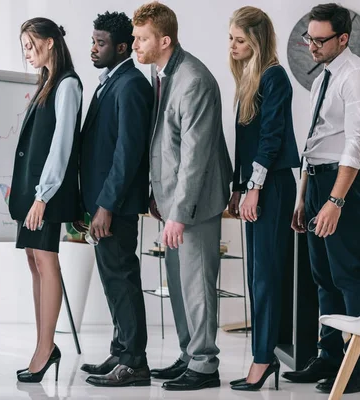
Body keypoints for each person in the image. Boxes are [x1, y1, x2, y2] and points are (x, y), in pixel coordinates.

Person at [131, 1, 233, 391]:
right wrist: (160, 199)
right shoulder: (163, 74)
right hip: (172, 201)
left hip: (196, 201)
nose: (135, 45)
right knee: (178, 283)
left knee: (196, 284)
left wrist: (180, 213)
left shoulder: (193, 79)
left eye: (142, 39)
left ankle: (206, 364)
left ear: (165, 39)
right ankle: (190, 354)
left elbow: (195, 155)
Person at [286, 3, 360, 394]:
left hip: (344, 186)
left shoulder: (359, 77)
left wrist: (335, 201)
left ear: (343, 38)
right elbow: (316, 145)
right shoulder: (323, 77)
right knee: (322, 278)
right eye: (309, 37)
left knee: (348, 276)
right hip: (317, 182)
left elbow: (354, 149)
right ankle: (331, 357)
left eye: (320, 39)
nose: (311, 45)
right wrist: (303, 196)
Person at [226, 6, 300, 392]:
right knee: (259, 275)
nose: (233, 46)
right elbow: (245, 144)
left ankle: (263, 358)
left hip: (272, 186)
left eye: (240, 40)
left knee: (266, 275)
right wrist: (238, 188)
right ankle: (263, 354)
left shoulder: (275, 77)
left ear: (256, 41)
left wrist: (254, 187)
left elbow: (271, 137)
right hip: (255, 185)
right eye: (232, 39)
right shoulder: (248, 80)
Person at [78, 11, 153, 388]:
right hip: (101, 202)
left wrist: (106, 204)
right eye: (93, 40)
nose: (93, 48)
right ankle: (121, 349)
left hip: (116, 205)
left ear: (122, 47)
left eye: (101, 42)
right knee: (112, 279)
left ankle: (135, 362)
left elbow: (127, 152)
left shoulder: (132, 85)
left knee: (122, 278)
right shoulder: (110, 82)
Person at [8, 17, 83, 383]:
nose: (27, 51)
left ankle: (45, 348)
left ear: (50, 42)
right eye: (23, 45)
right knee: (34, 261)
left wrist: (42, 196)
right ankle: (44, 344)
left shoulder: (68, 85)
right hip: (31, 193)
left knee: (46, 260)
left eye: (30, 43)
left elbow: (62, 145)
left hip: (47, 194)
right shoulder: (45, 82)